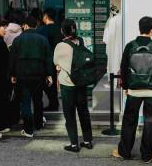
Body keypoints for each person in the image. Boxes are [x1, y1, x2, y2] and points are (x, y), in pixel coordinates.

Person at [113, 16, 152, 163]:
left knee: (129, 121)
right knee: (150, 122)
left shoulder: (130, 46)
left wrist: (126, 87)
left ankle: (124, 152)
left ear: (139, 28)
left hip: (134, 90)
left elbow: (123, 69)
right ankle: (147, 155)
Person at [9, 16, 53, 138]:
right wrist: (49, 74)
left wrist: (12, 74)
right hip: (39, 75)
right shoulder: (42, 39)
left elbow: (12, 59)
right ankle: (38, 124)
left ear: (25, 26)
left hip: (22, 76)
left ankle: (28, 130)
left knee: (25, 102)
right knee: (38, 100)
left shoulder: (18, 40)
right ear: (36, 26)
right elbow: (48, 58)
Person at [54, 19, 94, 152]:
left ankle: (74, 144)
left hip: (68, 84)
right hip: (81, 82)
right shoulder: (80, 42)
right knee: (83, 112)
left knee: (69, 114)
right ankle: (87, 141)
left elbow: (55, 61)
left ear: (62, 30)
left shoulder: (61, 46)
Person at [36, 8, 62, 111]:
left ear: (46, 16)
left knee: (46, 83)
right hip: (57, 60)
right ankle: (54, 103)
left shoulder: (41, 30)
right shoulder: (59, 29)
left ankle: (52, 103)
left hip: (45, 61)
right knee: (54, 82)